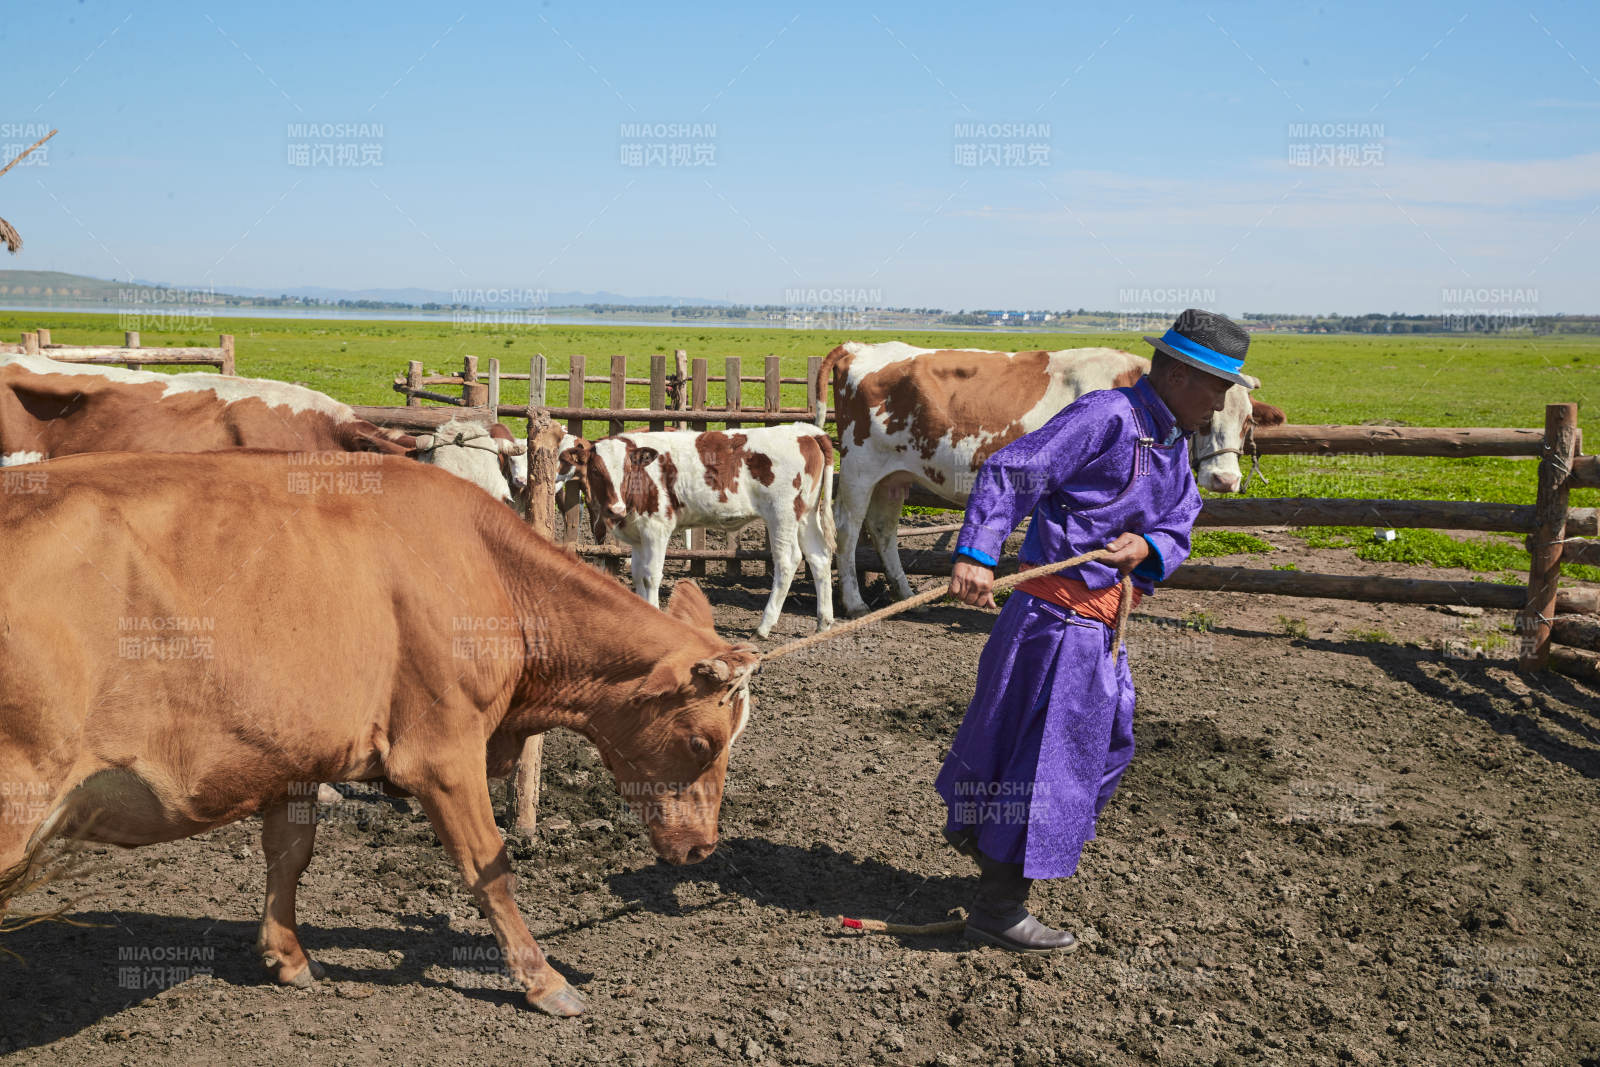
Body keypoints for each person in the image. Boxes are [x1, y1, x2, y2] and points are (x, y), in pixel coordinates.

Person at [936, 308, 1259, 952]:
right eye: (1216, 386)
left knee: (1101, 748)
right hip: (1053, 621)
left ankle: (986, 845)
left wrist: (1147, 546)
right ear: (1173, 372)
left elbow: (1181, 518)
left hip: (1101, 629)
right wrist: (976, 551)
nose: (1222, 402)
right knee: (1044, 763)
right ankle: (1000, 905)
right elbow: (1013, 470)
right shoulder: (1107, 417)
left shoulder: (1169, 437)